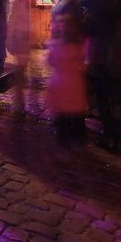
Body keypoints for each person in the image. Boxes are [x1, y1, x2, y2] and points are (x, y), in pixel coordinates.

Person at [82, 0, 121, 152]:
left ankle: (110, 135)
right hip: (117, 51)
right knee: (116, 95)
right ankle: (117, 134)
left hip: (102, 52)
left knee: (103, 95)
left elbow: (92, 26)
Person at [46, 13, 87, 146]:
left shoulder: (59, 43)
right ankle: (77, 137)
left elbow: (51, 61)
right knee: (75, 111)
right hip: (74, 81)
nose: (60, 25)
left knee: (63, 113)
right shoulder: (80, 42)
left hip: (63, 81)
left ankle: (64, 142)